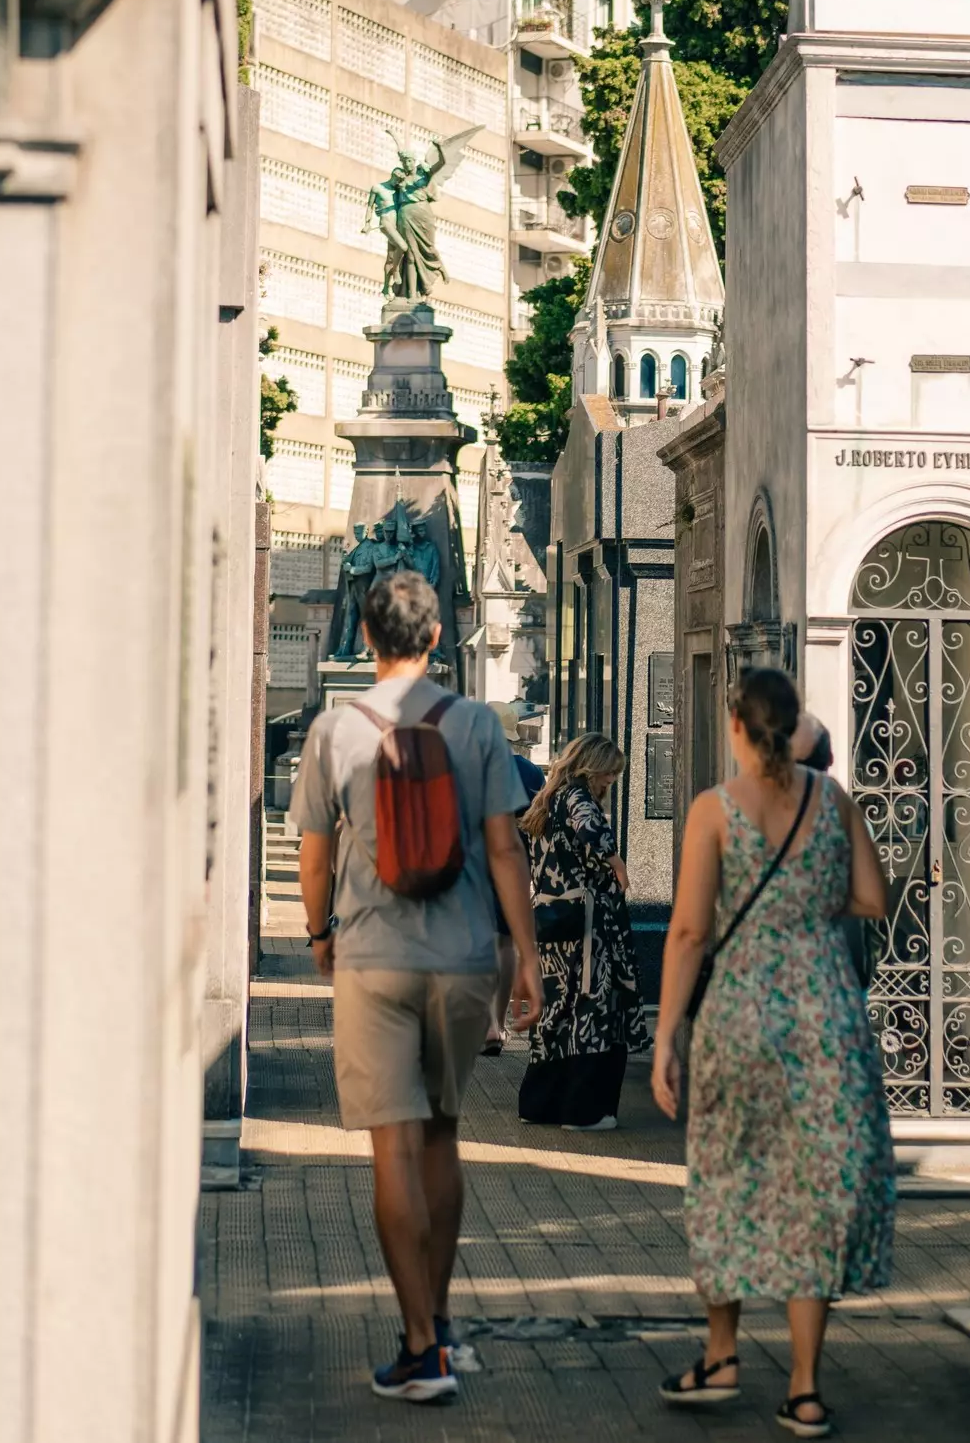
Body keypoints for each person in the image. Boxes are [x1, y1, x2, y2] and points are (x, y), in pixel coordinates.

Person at [292, 570, 543, 1405]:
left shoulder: (334, 731)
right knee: (442, 1137)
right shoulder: (474, 723)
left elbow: (316, 855)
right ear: (437, 638)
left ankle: (420, 1346)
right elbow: (505, 849)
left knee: (391, 1149)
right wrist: (530, 960)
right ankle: (440, 1321)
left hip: (374, 958)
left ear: (366, 640)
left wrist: (321, 934)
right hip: (465, 958)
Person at [652, 669, 895, 1440]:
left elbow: (689, 931)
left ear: (734, 726)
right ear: (793, 728)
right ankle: (803, 1387)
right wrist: (808, 902)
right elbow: (872, 899)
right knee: (814, 1191)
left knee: (727, 1175)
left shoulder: (714, 812)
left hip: (742, 1014)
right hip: (824, 1011)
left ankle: (720, 1355)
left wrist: (666, 1035)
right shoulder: (834, 803)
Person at [517, 734, 650, 1130]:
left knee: (558, 1010)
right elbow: (591, 829)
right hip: (591, 926)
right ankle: (584, 1110)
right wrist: (617, 863)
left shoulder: (546, 799)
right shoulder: (577, 797)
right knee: (594, 1010)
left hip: (554, 920)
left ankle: (539, 1103)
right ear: (592, 765)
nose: (612, 779)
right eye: (610, 771)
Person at [481, 702, 547, 1055]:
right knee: (504, 943)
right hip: (515, 867)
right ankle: (496, 1022)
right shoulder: (530, 773)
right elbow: (541, 826)